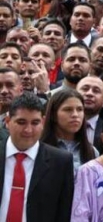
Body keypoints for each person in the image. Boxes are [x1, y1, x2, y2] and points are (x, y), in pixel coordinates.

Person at [0, 93, 74, 222]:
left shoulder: (61, 162)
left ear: (43, 122)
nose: (28, 130)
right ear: (7, 122)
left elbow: (63, 212)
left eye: (35, 123)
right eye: (21, 122)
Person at [39, 88, 97, 173]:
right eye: (68, 109)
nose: (75, 115)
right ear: (53, 115)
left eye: (79, 109)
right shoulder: (39, 149)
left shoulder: (92, 151)